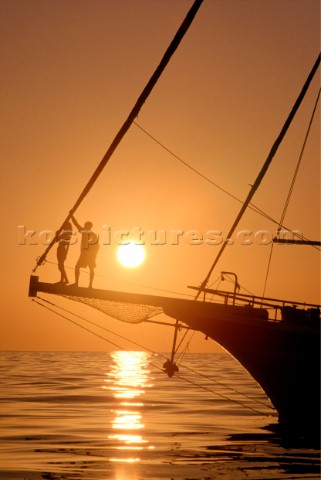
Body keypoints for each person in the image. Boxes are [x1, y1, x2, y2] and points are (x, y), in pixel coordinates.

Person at [70, 215, 99, 288]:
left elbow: (76, 224)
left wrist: (71, 216)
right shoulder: (93, 234)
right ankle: (90, 285)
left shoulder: (86, 232)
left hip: (86, 253)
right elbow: (97, 246)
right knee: (90, 268)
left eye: (85, 225)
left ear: (88, 226)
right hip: (89, 254)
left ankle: (78, 283)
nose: (84, 226)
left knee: (78, 267)